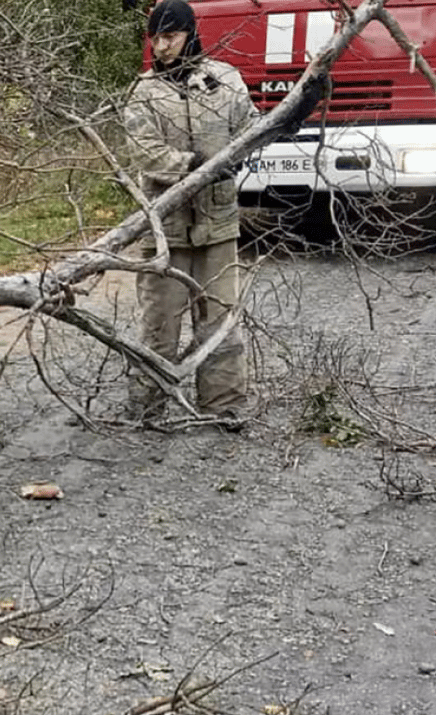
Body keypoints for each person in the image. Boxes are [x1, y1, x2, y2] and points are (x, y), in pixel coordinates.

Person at [121, 0, 257, 423]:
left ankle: (224, 408)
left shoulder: (225, 81)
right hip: (166, 230)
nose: (162, 46)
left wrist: (236, 157)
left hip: (217, 226)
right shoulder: (142, 93)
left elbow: (251, 129)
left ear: (191, 34)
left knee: (219, 325)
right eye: (156, 38)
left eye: (171, 36)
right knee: (159, 326)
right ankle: (148, 410)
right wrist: (196, 166)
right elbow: (147, 154)